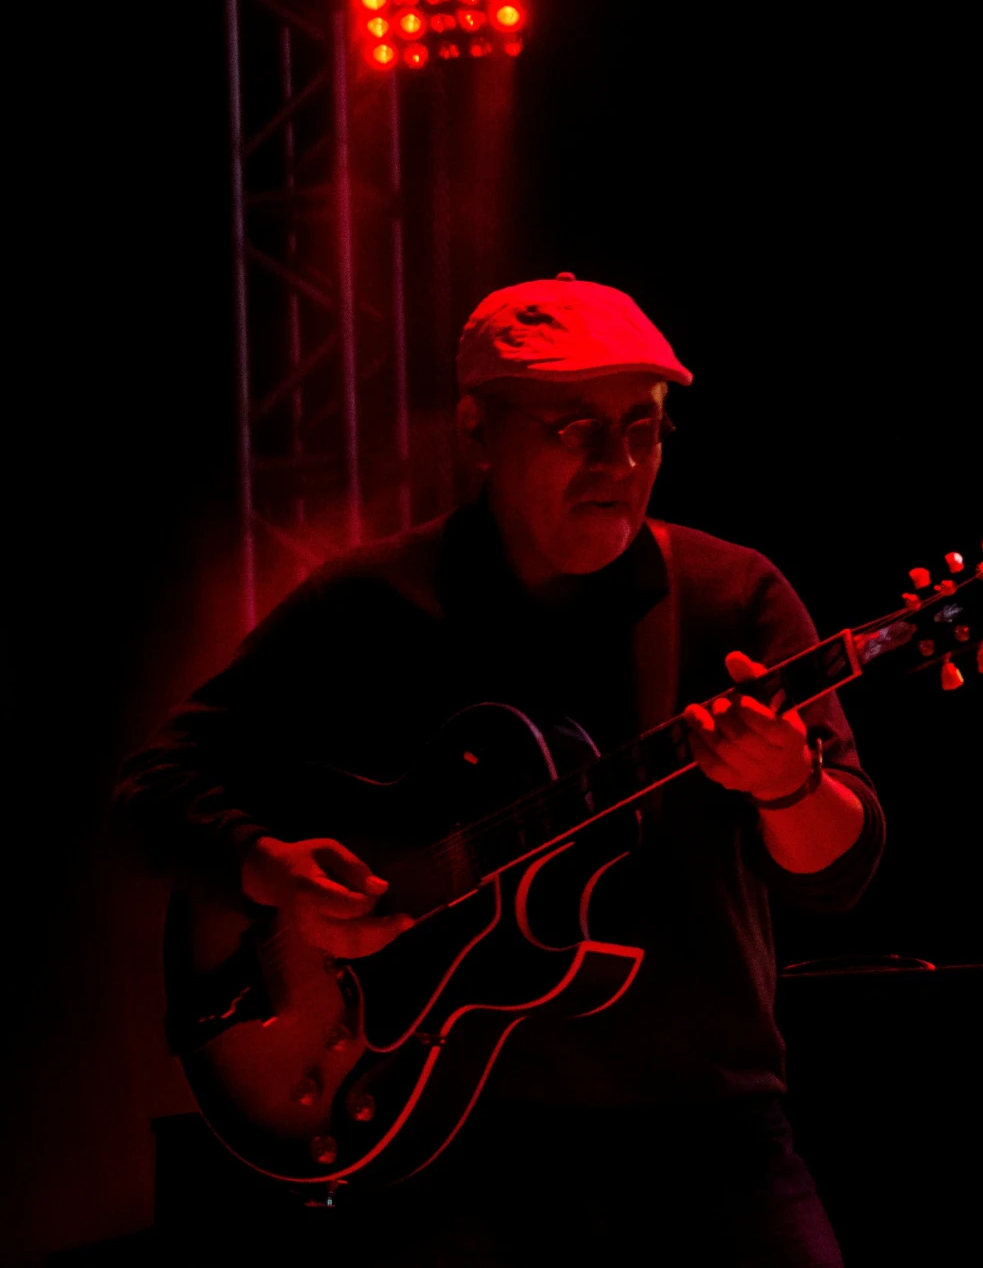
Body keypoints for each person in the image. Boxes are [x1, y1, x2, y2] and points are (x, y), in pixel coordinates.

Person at [115, 274, 885, 1266]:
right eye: (574, 426)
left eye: (644, 428)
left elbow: (841, 869)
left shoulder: (730, 596)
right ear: (478, 429)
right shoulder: (372, 605)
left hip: (710, 1132)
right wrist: (270, 874)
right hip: (455, 1147)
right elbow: (154, 788)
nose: (619, 462)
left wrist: (786, 785)